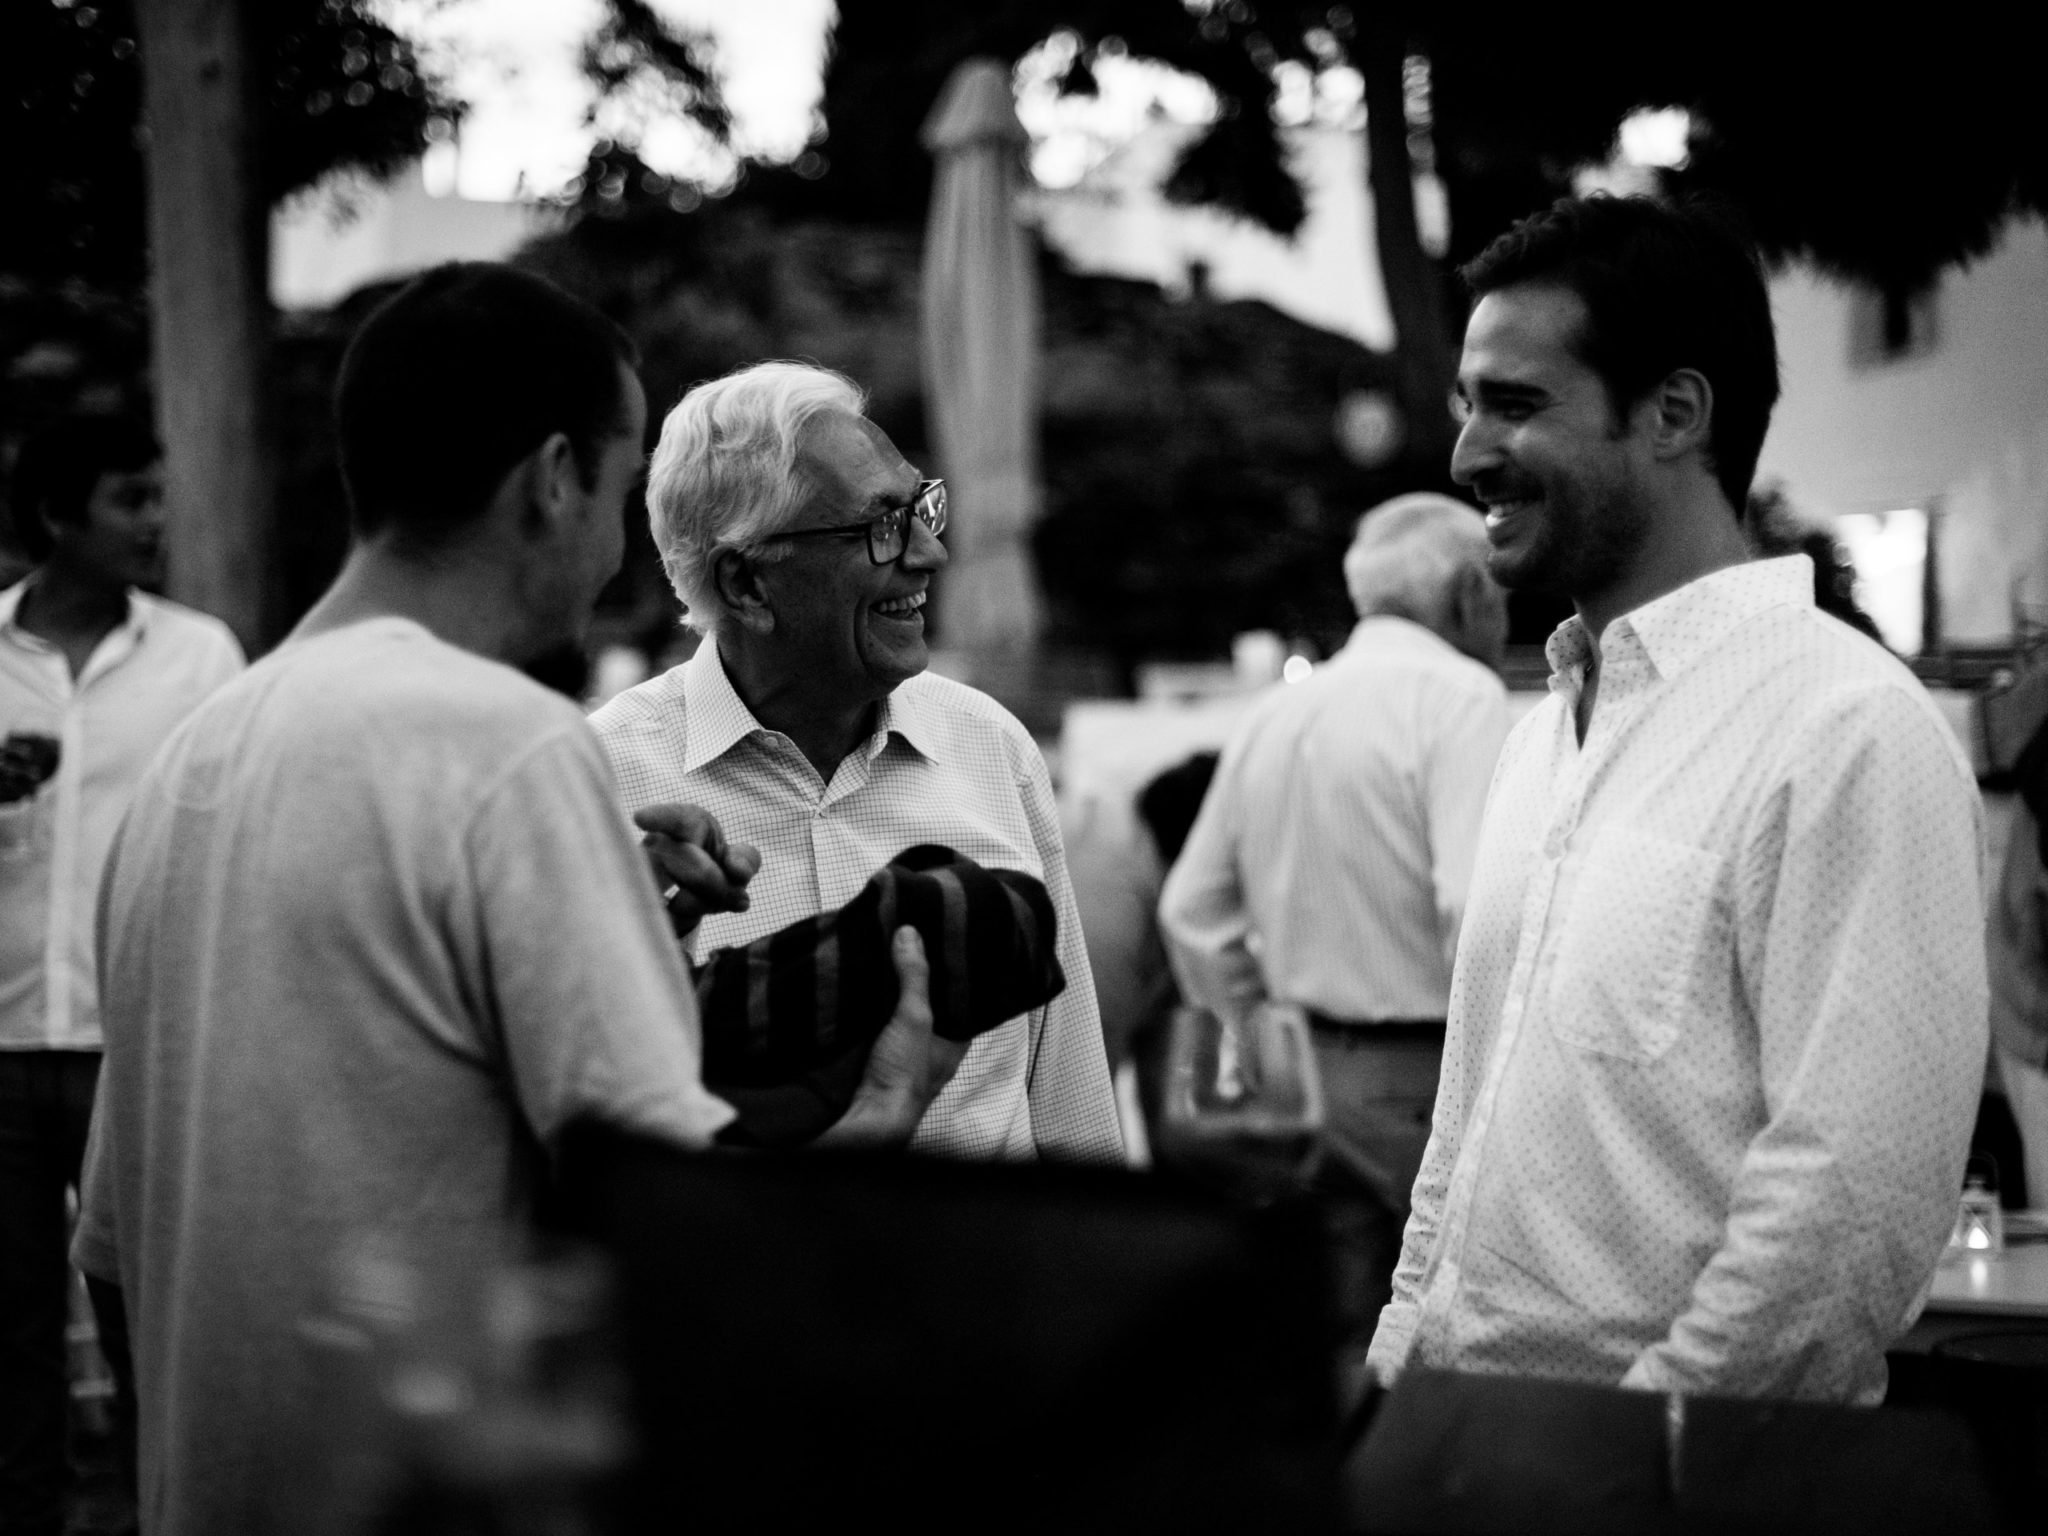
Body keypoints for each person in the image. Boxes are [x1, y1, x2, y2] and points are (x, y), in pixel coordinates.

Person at [71, 265, 955, 1536]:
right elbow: (690, 1252)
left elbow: (114, 1252)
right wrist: (883, 1113)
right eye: (619, 473)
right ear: (551, 478)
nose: (622, 543)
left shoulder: (187, 761)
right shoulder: (507, 749)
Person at [1367, 195, 1986, 1405]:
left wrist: (1639, 1458)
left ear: (1673, 414)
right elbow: (1464, 1138)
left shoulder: (1846, 730)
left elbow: (1847, 1206)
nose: (1462, 456)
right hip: (1460, 1456)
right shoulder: (1537, 739)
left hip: (1671, 1490)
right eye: (1464, 406)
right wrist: (1394, 1391)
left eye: (1515, 403)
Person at [591, 362, 1123, 1166]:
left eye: (920, 507)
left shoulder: (991, 747)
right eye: (880, 527)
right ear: (746, 583)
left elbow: (1070, 1097)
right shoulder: (603, 788)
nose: (929, 552)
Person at [1158, 494, 1511, 1374]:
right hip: (1427, 1078)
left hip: (1305, 1071)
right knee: (1440, 1354)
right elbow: (1477, 907)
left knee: (1333, 1343)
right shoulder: (1462, 697)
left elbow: (1190, 911)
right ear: (1472, 593)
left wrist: (1260, 1037)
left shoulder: (1280, 712)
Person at [0, 414, 242, 1536]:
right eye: (129, 501)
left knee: (155, 1326)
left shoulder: (203, 657)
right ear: (55, 517)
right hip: (0, 1050)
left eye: (158, 497)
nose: (156, 522)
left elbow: (230, 834)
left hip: (136, 1046)